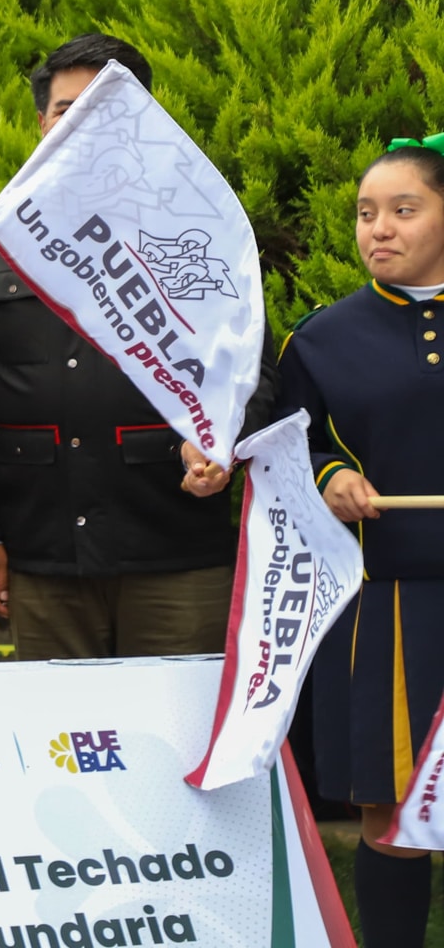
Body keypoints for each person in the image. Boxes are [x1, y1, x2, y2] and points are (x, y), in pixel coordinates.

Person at [0, 35, 271, 661]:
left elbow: (254, 376)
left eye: (105, 108)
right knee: (60, 749)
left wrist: (225, 442)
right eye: (67, 110)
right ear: (41, 124)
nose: (83, 125)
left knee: (181, 746)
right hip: (38, 559)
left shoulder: (196, 238)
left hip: (176, 551)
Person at [277, 138, 444, 947]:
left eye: (403, 210)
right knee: (394, 802)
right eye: (366, 213)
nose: (378, 228)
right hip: (390, 603)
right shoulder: (320, 339)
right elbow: (284, 445)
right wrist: (329, 475)